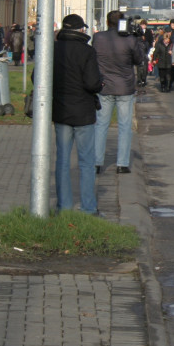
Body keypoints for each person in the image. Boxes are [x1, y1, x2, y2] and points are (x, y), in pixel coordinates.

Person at [51, 14, 103, 214]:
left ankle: (63, 207)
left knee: (62, 160)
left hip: (61, 111)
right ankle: (88, 207)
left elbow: (36, 76)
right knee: (86, 162)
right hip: (83, 113)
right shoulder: (87, 51)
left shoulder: (53, 49)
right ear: (81, 30)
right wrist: (100, 83)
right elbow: (92, 83)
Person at [92, 11, 145, 175]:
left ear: (107, 22)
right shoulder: (130, 39)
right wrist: (138, 40)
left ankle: (96, 162)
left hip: (105, 86)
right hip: (125, 87)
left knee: (101, 125)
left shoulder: (98, 38)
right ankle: (122, 164)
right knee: (125, 126)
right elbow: (139, 59)